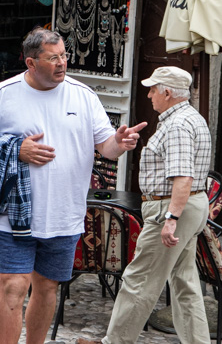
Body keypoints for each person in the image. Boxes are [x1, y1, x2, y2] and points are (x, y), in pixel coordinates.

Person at [0, 28, 146, 344]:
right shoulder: (3, 94)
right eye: (53, 58)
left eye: (63, 55)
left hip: (65, 213)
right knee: (13, 285)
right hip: (16, 214)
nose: (62, 63)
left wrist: (119, 142)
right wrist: (16, 148)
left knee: (47, 287)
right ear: (31, 63)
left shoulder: (83, 95)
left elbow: (106, 147)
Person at [77, 66, 211, 344]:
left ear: (167, 92)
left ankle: (114, 342)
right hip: (188, 207)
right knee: (184, 283)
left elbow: (183, 177)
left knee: (139, 280)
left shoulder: (177, 125)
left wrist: (171, 218)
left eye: (153, 89)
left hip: (171, 209)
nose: (149, 94)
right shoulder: (189, 118)